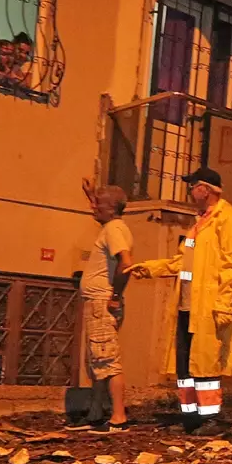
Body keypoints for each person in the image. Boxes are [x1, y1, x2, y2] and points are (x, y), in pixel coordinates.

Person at [129, 167, 232, 434]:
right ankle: (191, 417)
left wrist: (223, 304)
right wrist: (151, 268)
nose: (189, 191)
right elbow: (184, 263)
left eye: (192, 186)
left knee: (205, 364)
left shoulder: (229, 221)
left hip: (208, 307)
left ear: (205, 189)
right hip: (188, 306)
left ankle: (211, 420)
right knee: (185, 365)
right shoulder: (199, 225)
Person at [70, 179, 132, 433]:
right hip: (98, 302)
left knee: (108, 361)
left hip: (102, 302)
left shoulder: (114, 229)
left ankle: (118, 417)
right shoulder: (112, 225)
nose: (93, 208)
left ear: (112, 208)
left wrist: (115, 295)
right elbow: (101, 208)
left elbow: (125, 263)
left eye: (99, 204)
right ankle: (96, 413)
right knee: (98, 362)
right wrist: (92, 196)